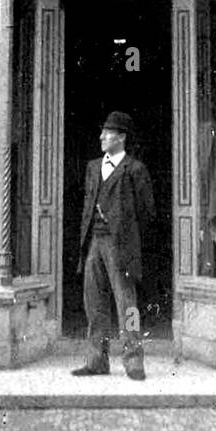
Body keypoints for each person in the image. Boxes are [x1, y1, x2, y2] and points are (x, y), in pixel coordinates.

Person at [73, 111, 155, 380]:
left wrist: (125, 230)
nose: (101, 137)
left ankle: (133, 361)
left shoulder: (135, 169)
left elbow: (147, 213)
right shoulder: (93, 167)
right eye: (102, 132)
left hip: (120, 244)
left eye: (107, 133)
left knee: (126, 303)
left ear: (121, 137)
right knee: (94, 302)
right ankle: (96, 360)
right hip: (94, 242)